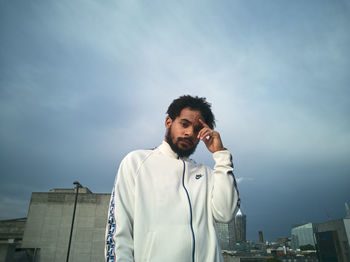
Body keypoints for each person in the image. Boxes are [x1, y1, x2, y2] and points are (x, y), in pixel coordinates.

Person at [105, 95, 240, 262]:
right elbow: (118, 234)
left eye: (197, 129)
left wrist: (221, 155)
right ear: (168, 122)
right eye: (184, 124)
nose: (190, 132)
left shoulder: (207, 174)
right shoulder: (136, 162)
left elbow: (226, 213)